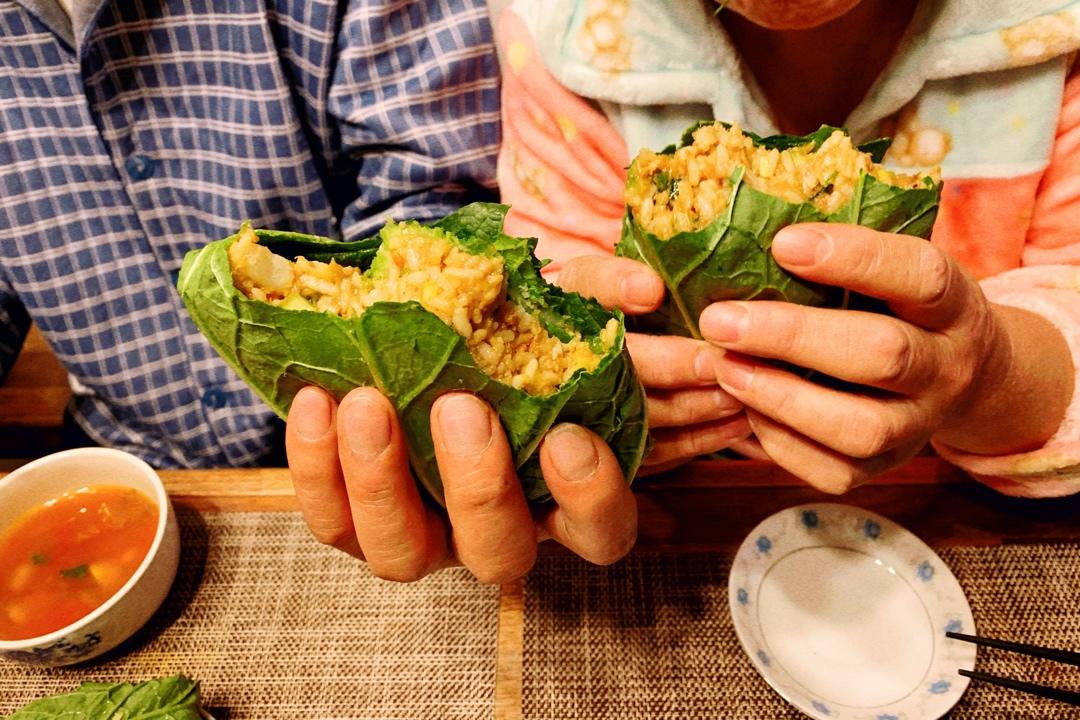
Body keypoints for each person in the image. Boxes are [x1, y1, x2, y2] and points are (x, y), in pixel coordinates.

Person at [289, 0, 1080, 583]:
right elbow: (551, 290)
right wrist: (570, 408)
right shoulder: (561, 32)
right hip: (681, 544)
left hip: (975, 532)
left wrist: (995, 371)